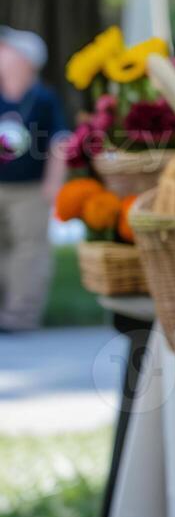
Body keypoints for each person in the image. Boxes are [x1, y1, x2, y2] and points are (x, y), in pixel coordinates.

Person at [0, 27, 69, 332]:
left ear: (27, 61)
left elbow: (59, 141)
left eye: (7, 49)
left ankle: (20, 315)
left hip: (29, 189)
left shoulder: (43, 99)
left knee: (29, 251)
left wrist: (53, 183)